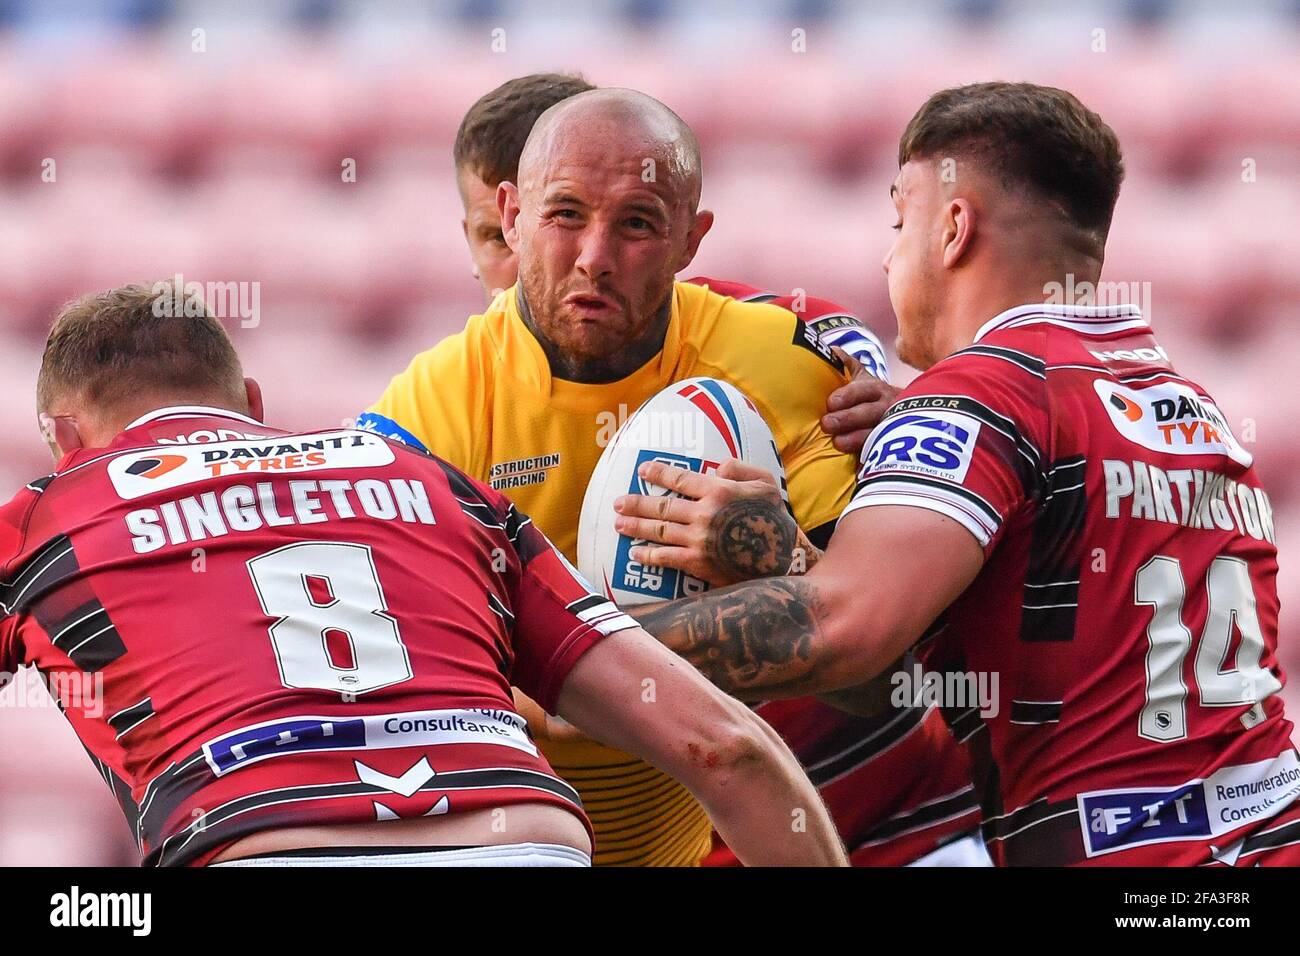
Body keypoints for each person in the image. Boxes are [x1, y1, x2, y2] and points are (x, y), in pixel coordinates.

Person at [618, 81, 1300, 866]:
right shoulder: (1185, 402)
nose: (886, 252)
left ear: (953, 226)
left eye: (899, 219)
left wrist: (568, 656)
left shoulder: (983, 393)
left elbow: (841, 630)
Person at [0, 283, 846, 868]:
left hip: (265, 840)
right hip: (523, 838)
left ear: (64, 439)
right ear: (253, 403)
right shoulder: (431, 480)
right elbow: (727, 747)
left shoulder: (47, 510)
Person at [362, 78, 985, 867]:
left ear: (692, 239)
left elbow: (872, 678)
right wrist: (585, 677)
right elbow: (393, 695)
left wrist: (777, 557)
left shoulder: (783, 362)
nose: (594, 258)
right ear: (512, 218)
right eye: (564, 216)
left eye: (637, 225)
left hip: (866, 817)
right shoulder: (425, 416)